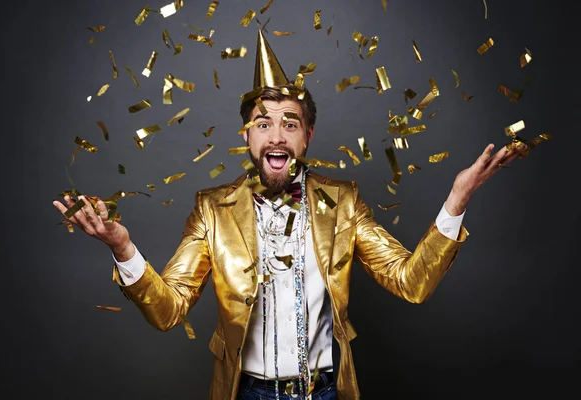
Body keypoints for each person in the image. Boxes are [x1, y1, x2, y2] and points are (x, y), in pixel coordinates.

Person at [53, 30, 528, 400]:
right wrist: (123, 248)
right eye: (263, 124)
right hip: (247, 392)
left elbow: (411, 281)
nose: (276, 135)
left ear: (307, 138)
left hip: (324, 390)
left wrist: (456, 201)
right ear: (247, 137)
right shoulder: (212, 210)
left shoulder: (343, 202)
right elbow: (168, 310)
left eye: (290, 124)